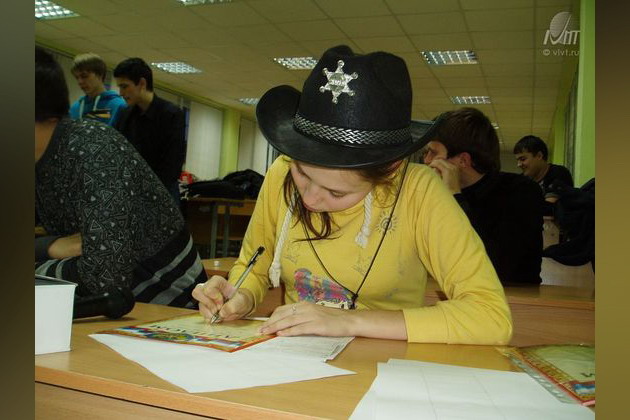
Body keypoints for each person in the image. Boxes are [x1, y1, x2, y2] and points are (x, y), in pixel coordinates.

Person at [193, 45, 513, 345]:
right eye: (302, 173)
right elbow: (255, 263)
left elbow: (491, 316)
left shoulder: (420, 192)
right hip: (293, 357)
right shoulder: (280, 172)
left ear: (389, 170)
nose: (310, 200)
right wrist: (240, 295)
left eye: (336, 192)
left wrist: (350, 322)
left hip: (384, 363)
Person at [35, 47, 206, 307]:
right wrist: (49, 247)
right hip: (113, 287)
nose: (123, 92)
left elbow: (105, 278)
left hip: (164, 300)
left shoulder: (94, 147)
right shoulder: (121, 118)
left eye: (125, 86)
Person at [423, 108, 544, 285]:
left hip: (510, 296)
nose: (426, 160)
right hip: (449, 292)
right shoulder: (435, 192)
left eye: (433, 153)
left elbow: (497, 267)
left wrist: (454, 197)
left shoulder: (521, 191)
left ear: (463, 161)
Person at [113, 57, 186, 203]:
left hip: (162, 194)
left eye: (124, 86)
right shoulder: (125, 115)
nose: (120, 92)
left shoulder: (171, 114)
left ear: (142, 83)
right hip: (132, 192)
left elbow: (172, 164)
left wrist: (148, 192)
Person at [69, 52, 127, 126]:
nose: (80, 82)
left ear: (100, 75)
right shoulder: (75, 108)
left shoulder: (118, 106)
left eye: (84, 76)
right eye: (77, 77)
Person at [513, 135, 574, 202]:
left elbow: (549, 206)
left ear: (539, 156)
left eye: (522, 159)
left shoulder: (559, 173)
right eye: (518, 160)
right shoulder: (522, 181)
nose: (519, 164)